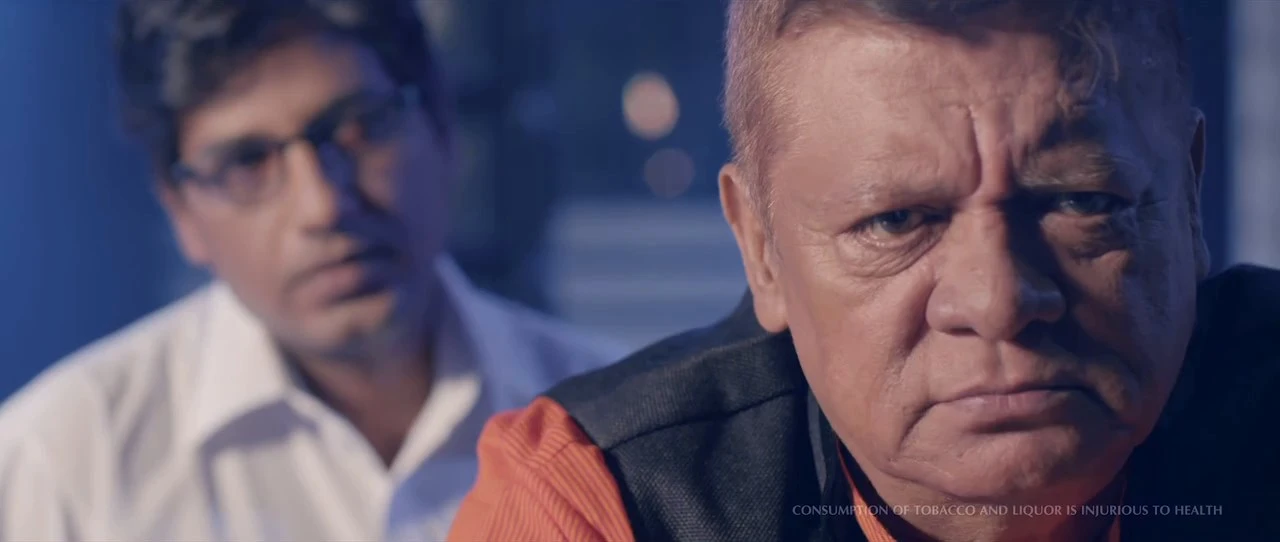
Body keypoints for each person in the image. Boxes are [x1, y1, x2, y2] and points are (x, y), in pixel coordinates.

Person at [449, 0, 1280, 541]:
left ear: (1190, 200)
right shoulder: (602, 503)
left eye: (1080, 200)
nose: (997, 300)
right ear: (761, 249)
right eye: (895, 221)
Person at [0, 1, 624, 540]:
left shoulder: (619, 431)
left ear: (441, 125)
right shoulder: (60, 466)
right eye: (247, 162)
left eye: (360, 127)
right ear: (180, 210)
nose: (323, 205)